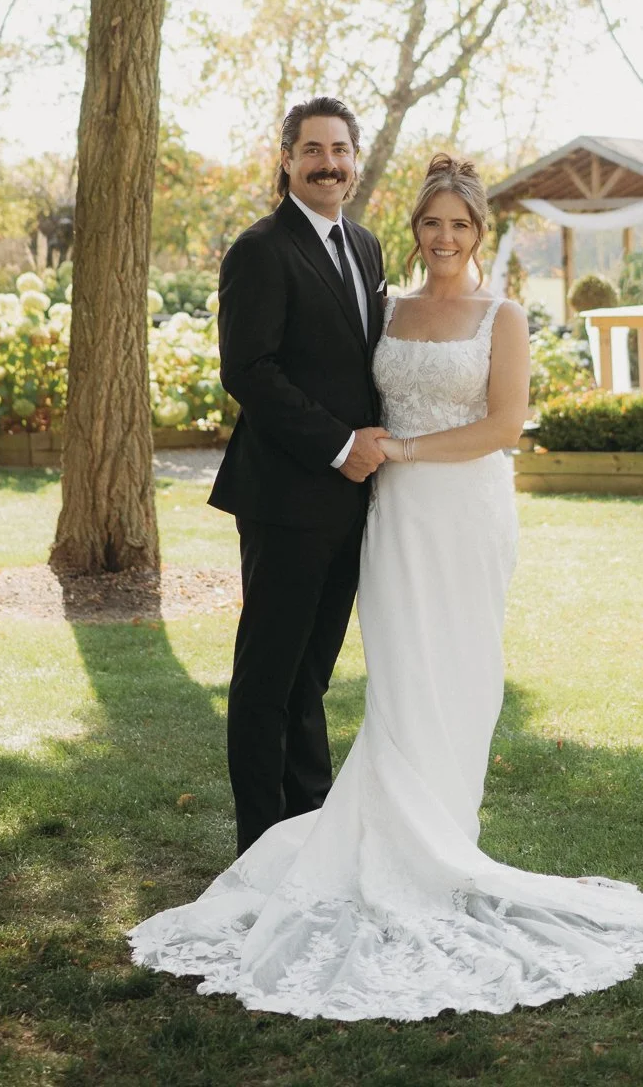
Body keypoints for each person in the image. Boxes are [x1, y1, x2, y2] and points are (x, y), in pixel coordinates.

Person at [131, 150, 643, 1019]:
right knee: (400, 675)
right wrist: (361, 453)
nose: (444, 238)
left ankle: (444, 839)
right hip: (389, 515)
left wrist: (397, 449)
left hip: (462, 510)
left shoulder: (504, 314)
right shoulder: (386, 302)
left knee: (463, 671)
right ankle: (359, 836)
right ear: (415, 231)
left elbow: (502, 424)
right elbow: (305, 369)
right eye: (432, 224)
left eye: (459, 225)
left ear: (481, 232)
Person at [206, 95, 389, 856]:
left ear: (354, 160)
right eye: (312, 150)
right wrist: (340, 445)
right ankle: (257, 849)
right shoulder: (260, 249)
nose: (328, 164)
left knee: (312, 677)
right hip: (285, 497)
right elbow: (248, 369)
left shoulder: (368, 247)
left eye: (340, 150)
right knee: (265, 682)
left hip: (352, 502)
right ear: (285, 160)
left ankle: (306, 833)